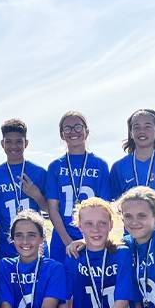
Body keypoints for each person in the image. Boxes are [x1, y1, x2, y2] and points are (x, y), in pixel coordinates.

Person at [46, 111, 111, 261]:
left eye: (77, 127)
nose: (73, 132)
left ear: (86, 132)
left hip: (93, 237)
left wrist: (88, 239)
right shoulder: (55, 166)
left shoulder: (100, 165)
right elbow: (53, 208)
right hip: (62, 238)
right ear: (62, 135)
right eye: (67, 128)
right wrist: (68, 242)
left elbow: (104, 207)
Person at [0, 118, 49, 263]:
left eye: (19, 141)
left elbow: (51, 210)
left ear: (26, 143)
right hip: (6, 245)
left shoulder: (39, 172)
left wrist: (36, 195)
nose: (14, 146)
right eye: (9, 141)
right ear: (2, 144)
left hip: (35, 245)